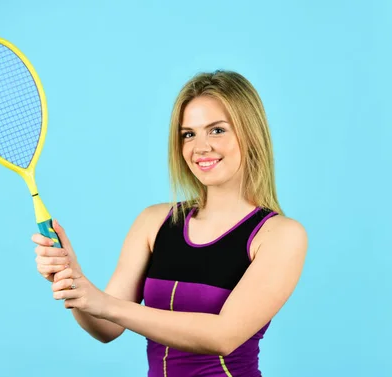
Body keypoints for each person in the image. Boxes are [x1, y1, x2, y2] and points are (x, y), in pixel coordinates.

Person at [32, 70, 308, 376]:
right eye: (188, 134)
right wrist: (73, 281)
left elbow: (223, 336)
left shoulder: (280, 235)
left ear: (251, 133)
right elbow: (106, 328)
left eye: (216, 130)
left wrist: (105, 303)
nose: (200, 147)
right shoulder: (154, 222)